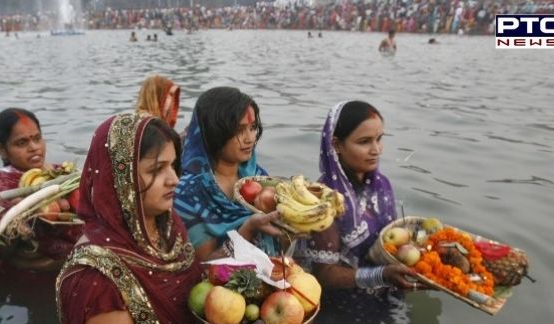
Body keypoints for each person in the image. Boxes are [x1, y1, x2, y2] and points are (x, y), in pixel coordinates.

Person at [57, 113, 250, 324]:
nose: (173, 179)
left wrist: (249, 240)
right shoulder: (94, 275)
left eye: (173, 166)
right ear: (119, 179)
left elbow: (191, 284)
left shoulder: (166, 226)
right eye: (155, 170)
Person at [297, 101, 417, 305]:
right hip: (340, 310)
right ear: (336, 145)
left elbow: (392, 243)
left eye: (379, 139)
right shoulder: (325, 199)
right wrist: (381, 276)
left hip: (387, 294)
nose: (376, 150)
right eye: (364, 142)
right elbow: (324, 275)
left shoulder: (381, 185)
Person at [174, 87, 281, 263]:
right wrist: (247, 230)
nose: (250, 138)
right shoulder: (188, 193)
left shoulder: (258, 177)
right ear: (213, 132)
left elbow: (276, 246)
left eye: (253, 127)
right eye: (239, 130)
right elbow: (205, 267)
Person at [0, 108, 81, 277]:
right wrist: (21, 220)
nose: (34, 148)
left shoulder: (61, 173)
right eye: (21, 143)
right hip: (29, 279)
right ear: (2, 149)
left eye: (37, 138)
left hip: (71, 267)